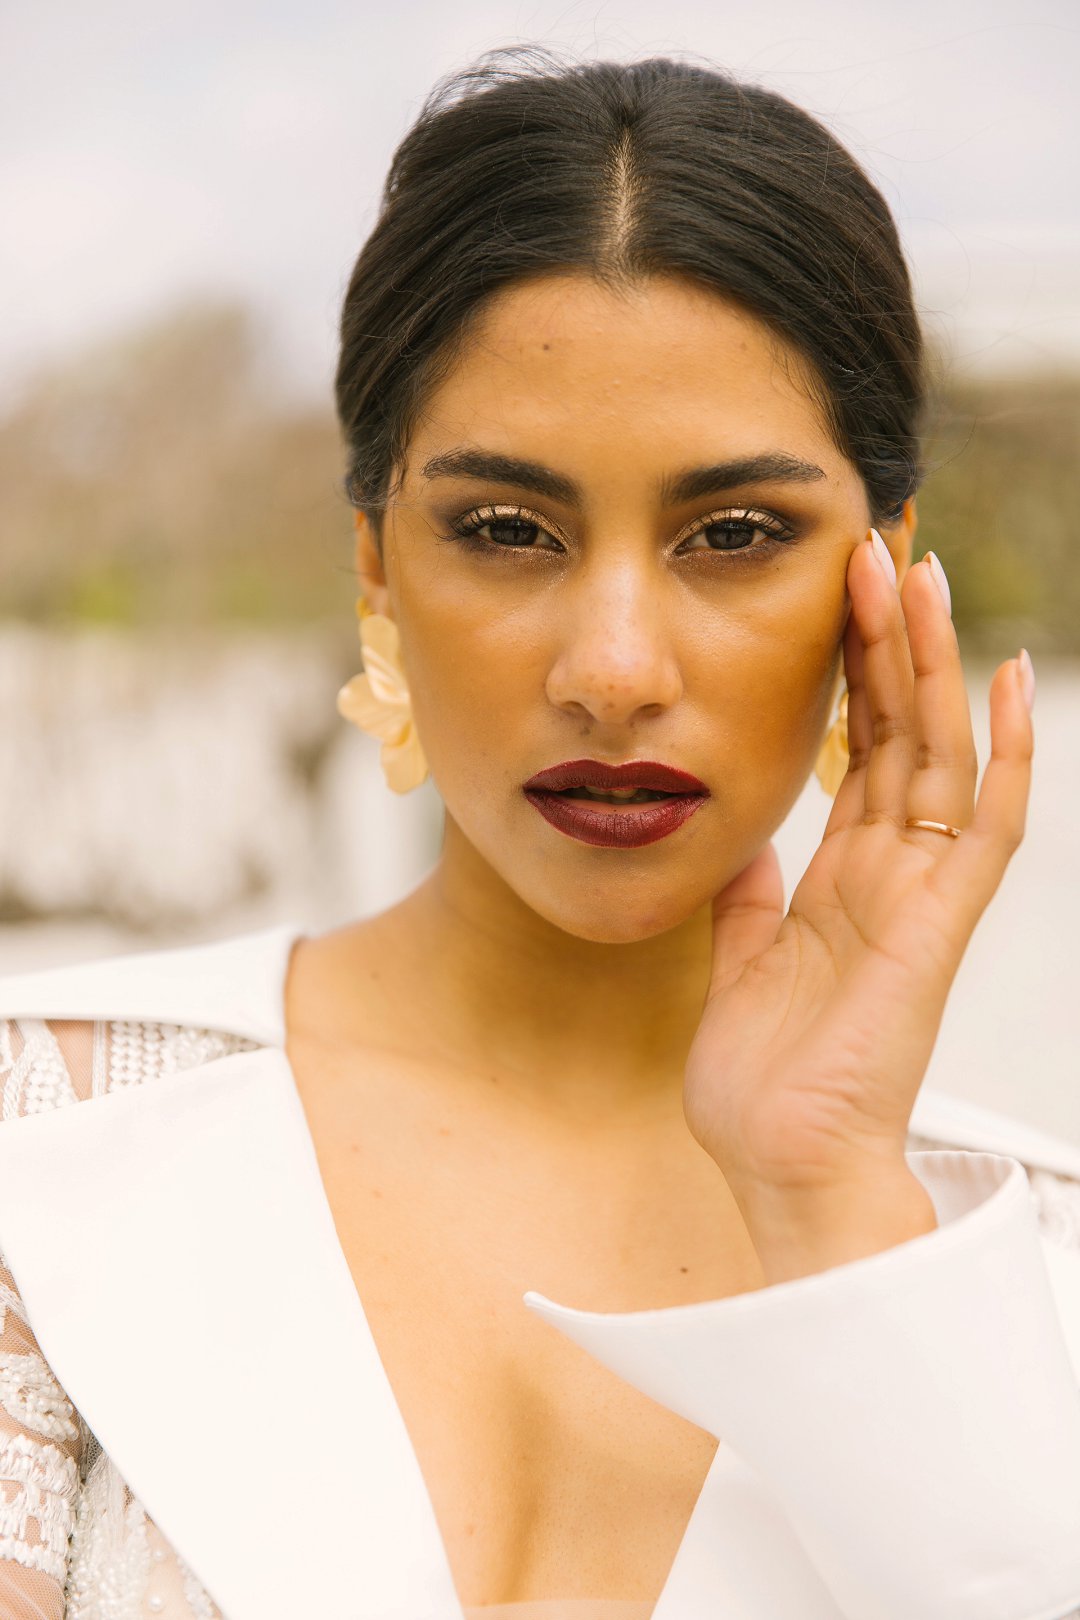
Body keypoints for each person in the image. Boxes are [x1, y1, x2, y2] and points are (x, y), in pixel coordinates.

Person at [0, 45, 1079, 1620]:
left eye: (735, 534)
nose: (614, 670)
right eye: (508, 530)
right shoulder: (45, 1139)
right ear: (377, 562)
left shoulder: (1030, 1266)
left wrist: (833, 1198)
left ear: (883, 573)